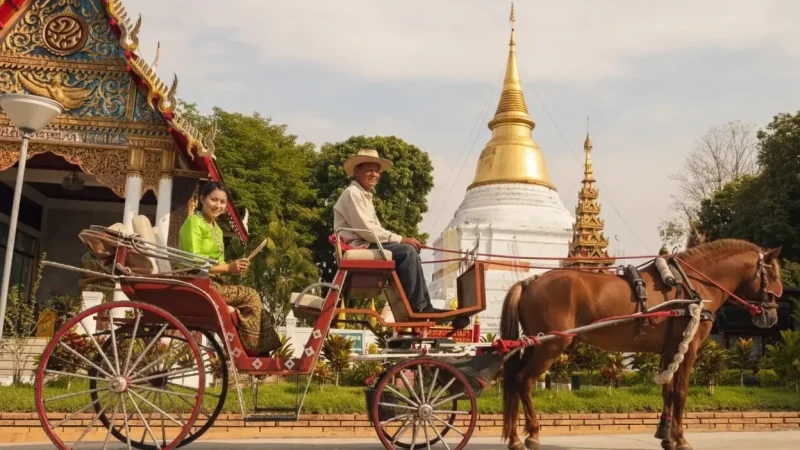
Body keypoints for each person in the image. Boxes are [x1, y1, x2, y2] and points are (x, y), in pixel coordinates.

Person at [333, 149, 446, 314]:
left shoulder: (364, 195)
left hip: (367, 242)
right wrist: (401, 239)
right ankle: (420, 307)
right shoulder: (353, 194)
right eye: (369, 170)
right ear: (357, 171)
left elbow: (372, 229)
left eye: (377, 170)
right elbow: (367, 230)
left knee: (410, 251)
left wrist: (400, 240)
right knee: (407, 251)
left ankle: (420, 304)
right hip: (360, 245)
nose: (375, 174)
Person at [179, 181, 280, 355]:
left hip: (213, 282)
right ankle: (253, 350)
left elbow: (219, 264)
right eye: (214, 200)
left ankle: (255, 347)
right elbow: (193, 262)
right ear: (202, 199)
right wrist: (228, 268)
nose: (218, 205)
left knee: (251, 297)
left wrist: (234, 267)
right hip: (195, 281)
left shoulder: (217, 229)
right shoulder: (194, 223)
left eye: (222, 202)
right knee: (251, 295)